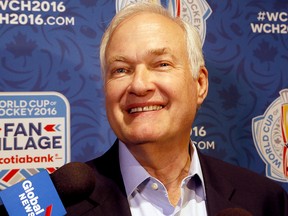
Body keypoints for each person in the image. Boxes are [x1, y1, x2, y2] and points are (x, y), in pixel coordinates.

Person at [65, 2, 287, 216]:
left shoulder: (264, 200)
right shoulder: (58, 203)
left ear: (199, 84)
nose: (139, 85)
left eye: (162, 64)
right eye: (121, 70)